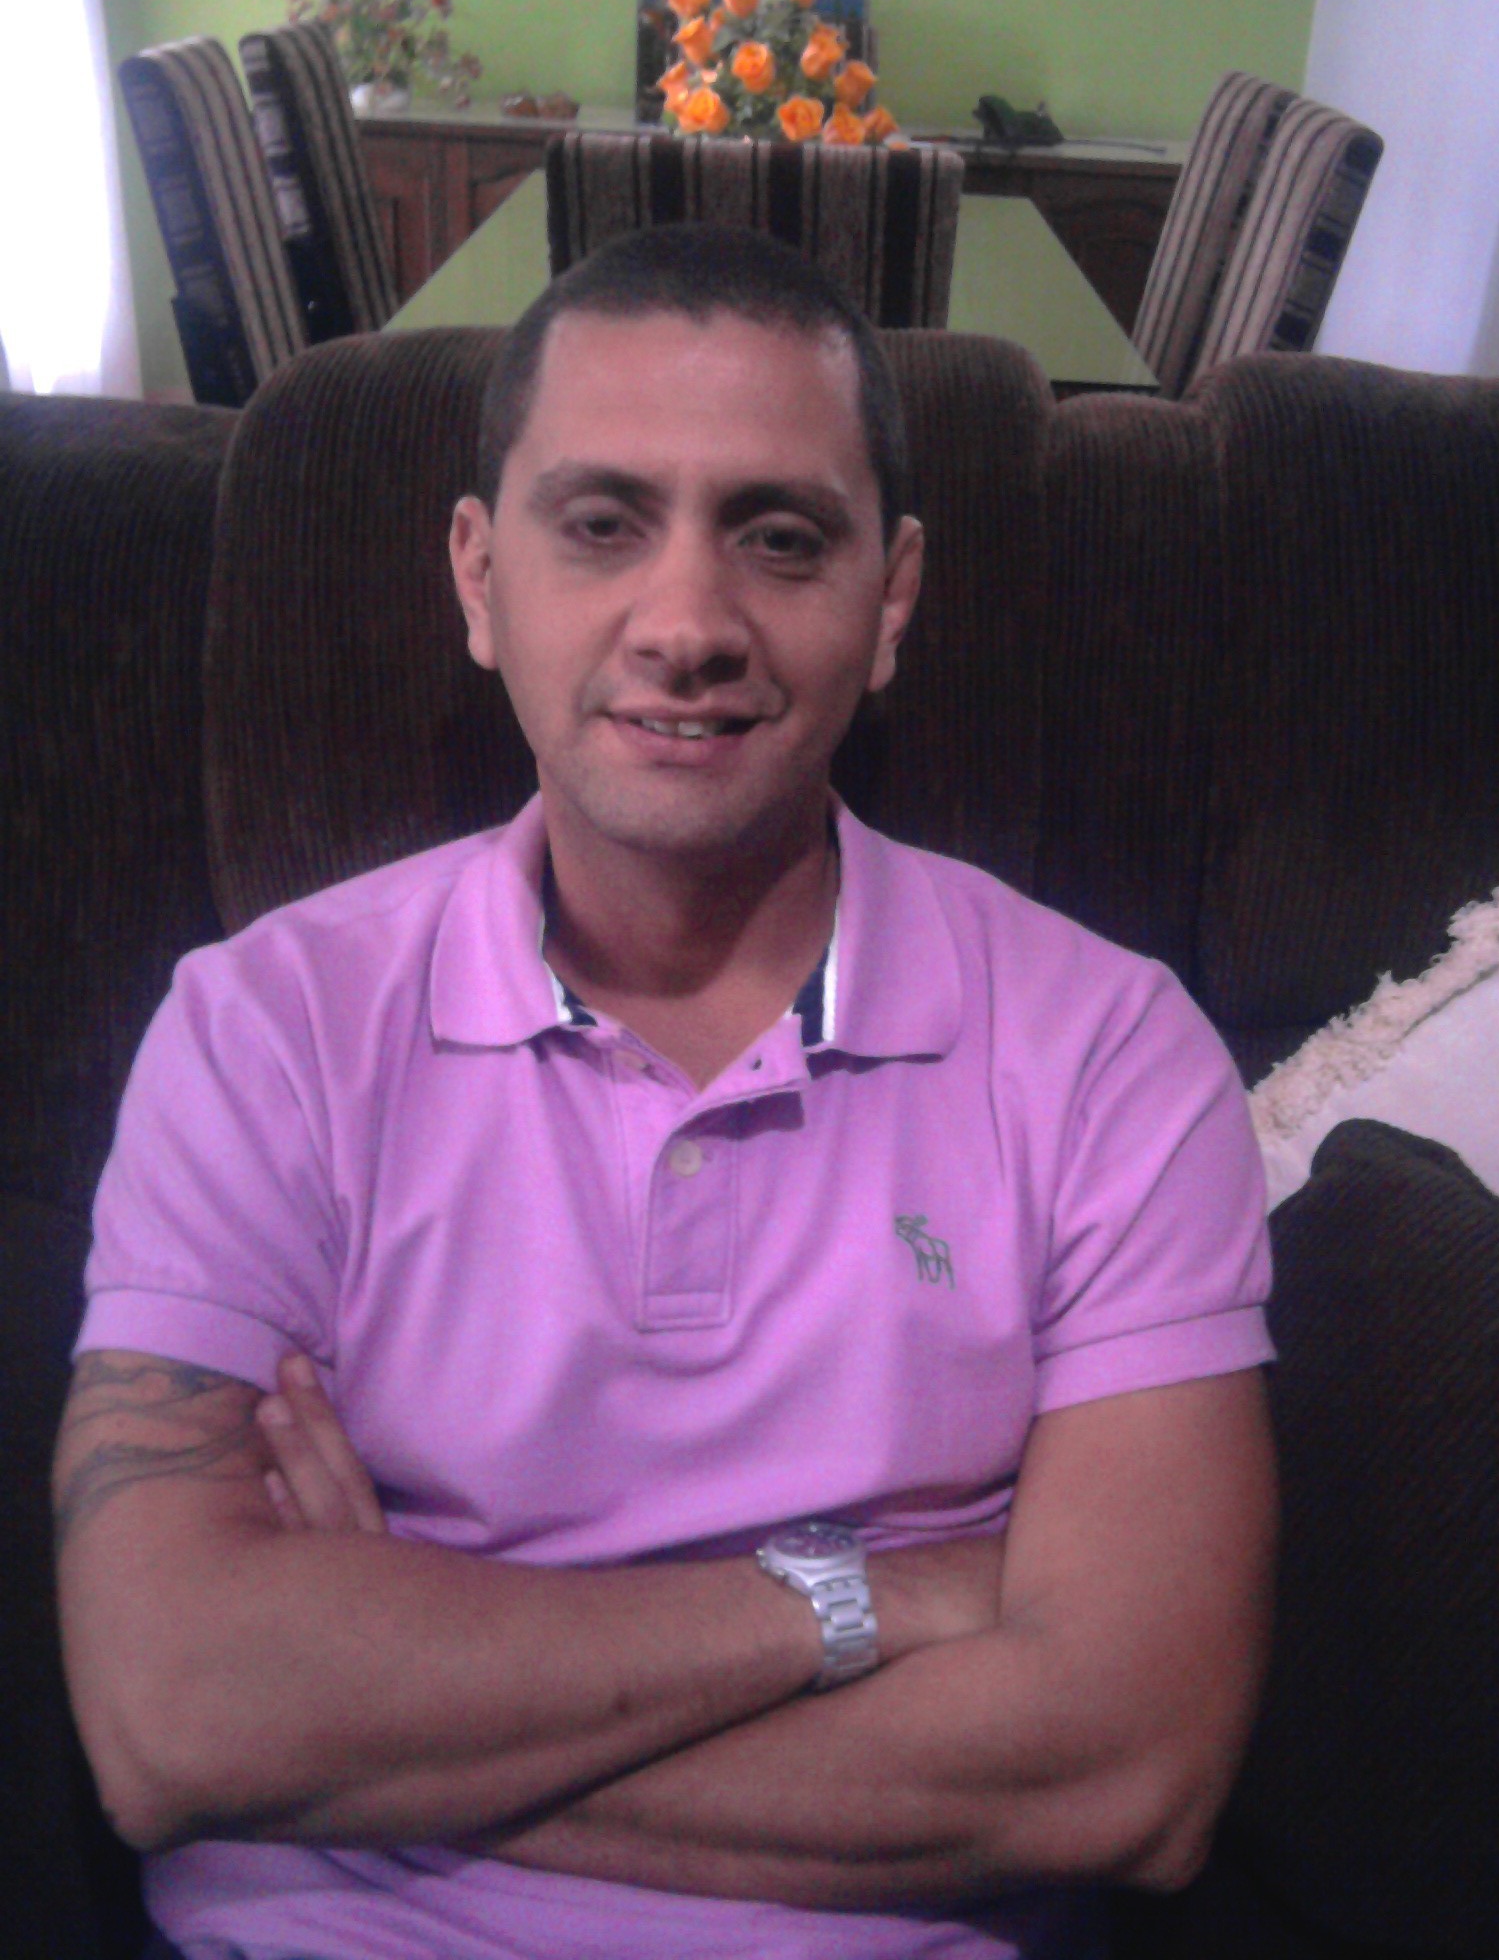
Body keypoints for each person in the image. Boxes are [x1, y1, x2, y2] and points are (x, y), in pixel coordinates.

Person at [54, 224, 1277, 1960]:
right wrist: (871, 1600)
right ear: (480, 576)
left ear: (892, 598)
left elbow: (1124, 1772)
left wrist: (378, 1700)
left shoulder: (1113, 1058)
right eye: (602, 524)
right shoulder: (264, 1029)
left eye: (780, 538)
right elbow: (176, 1716)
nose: (689, 625)